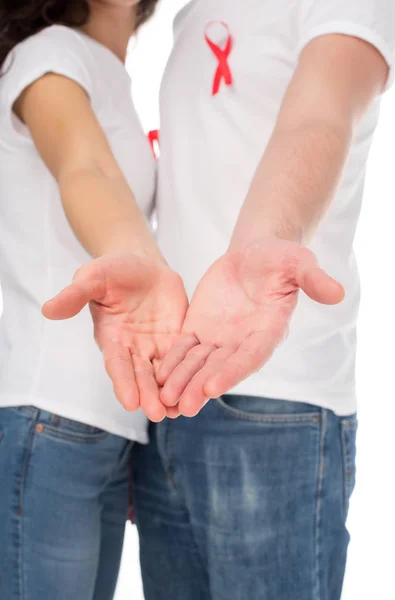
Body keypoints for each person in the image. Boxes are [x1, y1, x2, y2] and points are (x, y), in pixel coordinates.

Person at [130, 1, 395, 599]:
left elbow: (321, 116)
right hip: (169, 400)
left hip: (276, 400)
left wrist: (262, 242)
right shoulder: (191, 14)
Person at [0, 1, 189, 598]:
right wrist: (138, 260)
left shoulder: (111, 74)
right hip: (47, 418)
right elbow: (87, 169)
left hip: (101, 426)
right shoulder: (49, 56)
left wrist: (128, 432)